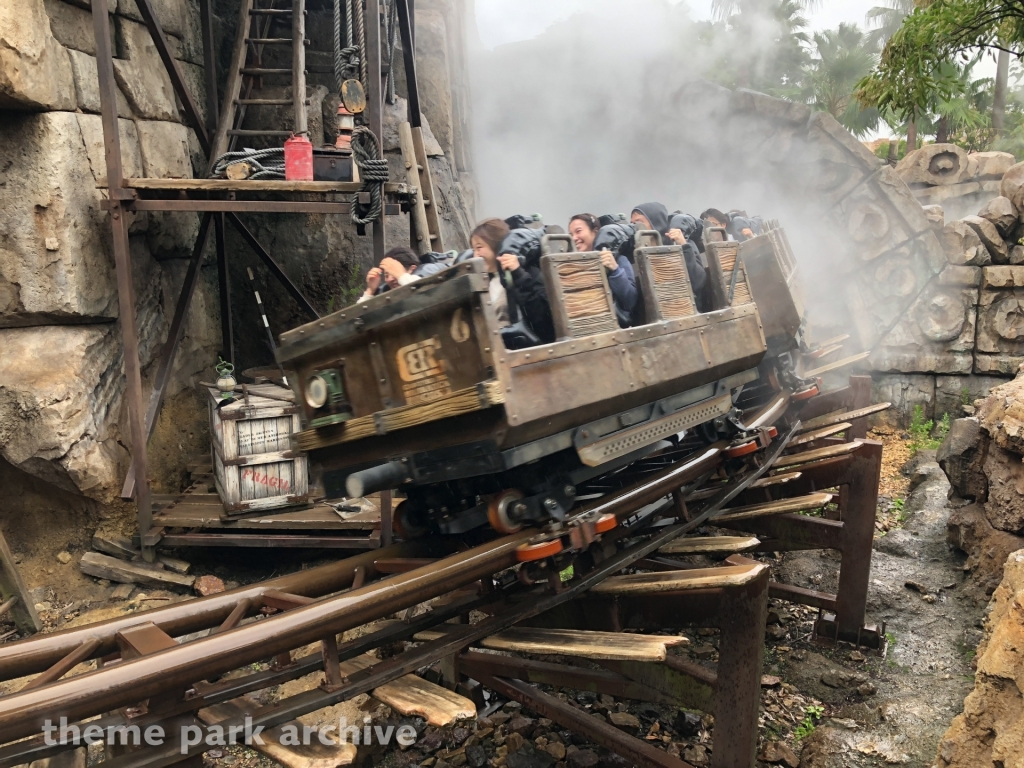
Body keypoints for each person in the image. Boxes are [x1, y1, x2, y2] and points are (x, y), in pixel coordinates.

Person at [631, 203, 708, 310]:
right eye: (632, 224)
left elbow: (698, 282)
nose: (635, 227)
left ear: (655, 221)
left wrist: (683, 245)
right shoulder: (636, 253)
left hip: (687, 308)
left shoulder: (683, 243)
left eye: (639, 222)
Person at [568, 213, 638, 327]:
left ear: (595, 232)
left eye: (578, 231)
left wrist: (615, 270)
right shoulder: (570, 267)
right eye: (571, 235)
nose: (574, 238)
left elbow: (630, 301)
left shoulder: (619, 260)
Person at [357, 247, 422, 303]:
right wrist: (370, 290)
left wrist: (401, 276)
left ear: (412, 269)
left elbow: (425, 293)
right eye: (386, 275)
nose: (390, 279)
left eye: (394, 273)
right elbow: (357, 316)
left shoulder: (425, 276)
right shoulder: (386, 293)